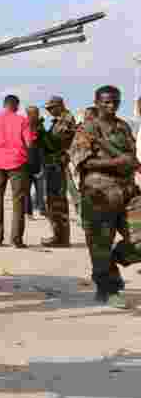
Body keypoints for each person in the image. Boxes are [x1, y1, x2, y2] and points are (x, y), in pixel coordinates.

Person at [68, 86, 139, 310]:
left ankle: (116, 257)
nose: (112, 106)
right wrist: (115, 163)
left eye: (116, 101)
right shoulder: (87, 129)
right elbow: (82, 162)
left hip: (128, 191)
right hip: (99, 194)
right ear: (97, 102)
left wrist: (131, 164)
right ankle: (108, 290)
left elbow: (130, 156)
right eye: (107, 102)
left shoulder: (123, 126)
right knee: (100, 244)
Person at [0, 94, 36, 248]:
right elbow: (29, 143)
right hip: (18, 163)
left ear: (4, 105)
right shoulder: (22, 121)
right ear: (17, 106)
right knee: (18, 201)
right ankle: (16, 240)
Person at [37, 96, 76, 247]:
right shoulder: (60, 120)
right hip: (54, 165)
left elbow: (53, 144)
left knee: (57, 201)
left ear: (60, 106)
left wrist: (40, 130)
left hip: (57, 165)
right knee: (54, 202)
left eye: (51, 108)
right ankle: (59, 236)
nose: (49, 111)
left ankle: (61, 238)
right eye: (48, 109)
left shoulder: (65, 121)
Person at [25, 106, 45, 220]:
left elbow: (41, 146)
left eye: (36, 113)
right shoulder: (27, 126)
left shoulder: (39, 126)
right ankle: (29, 212)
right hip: (28, 162)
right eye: (34, 113)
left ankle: (41, 209)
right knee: (28, 190)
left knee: (40, 189)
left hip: (36, 161)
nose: (36, 115)